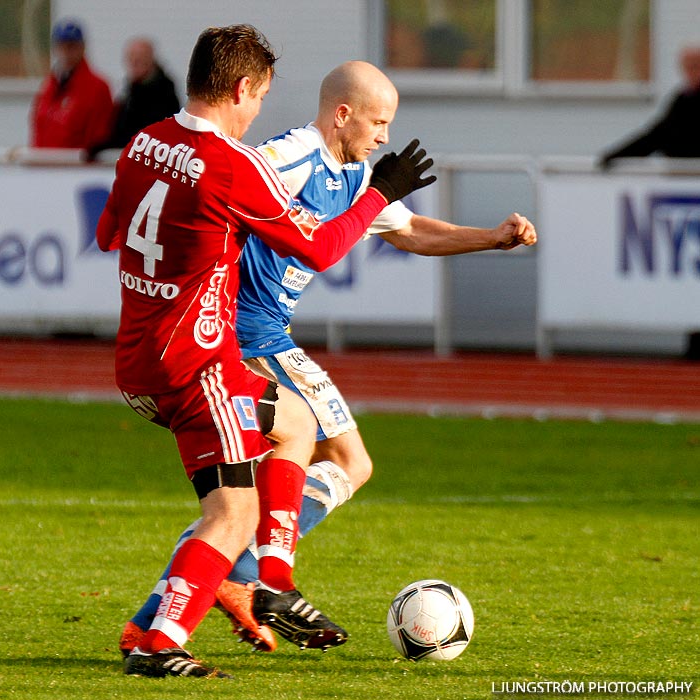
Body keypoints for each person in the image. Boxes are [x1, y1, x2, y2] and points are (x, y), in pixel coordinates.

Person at [118, 60, 537, 657]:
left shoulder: (356, 173)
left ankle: (192, 599)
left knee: (258, 491)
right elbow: (241, 193)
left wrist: (492, 238)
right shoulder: (287, 157)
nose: (385, 137)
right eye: (379, 121)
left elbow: (408, 229)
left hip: (268, 334)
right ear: (343, 114)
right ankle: (251, 579)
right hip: (237, 334)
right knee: (335, 459)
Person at [95, 25, 435, 679]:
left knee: (295, 427)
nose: (257, 114)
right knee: (233, 513)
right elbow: (320, 249)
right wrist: (378, 195)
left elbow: (111, 230)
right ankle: (173, 636)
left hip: (135, 358)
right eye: (259, 98)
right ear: (242, 88)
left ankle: (187, 617)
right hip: (196, 364)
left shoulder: (142, 143)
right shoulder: (235, 164)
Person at [599, 45, 700, 167]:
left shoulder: (686, 100)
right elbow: (659, 135)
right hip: (683, 174)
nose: (691, 72)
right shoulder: (683, 99)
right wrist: (614, 157)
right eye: (686, 67)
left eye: (695, 66)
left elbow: (660, 136)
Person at [29, 19, 114, 151]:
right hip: (44, 167)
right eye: (61, 46)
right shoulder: (48, 86)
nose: (66, 52)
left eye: (71, 46)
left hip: (75, 168)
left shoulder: (97, 88)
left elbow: (98, 136)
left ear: (82, 47)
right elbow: (38, 129)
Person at [89, 37, 180, 158]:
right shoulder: (129, 93)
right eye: (132, 58)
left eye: (141, 58)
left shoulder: (164, 95)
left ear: (151, 59)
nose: (135, 62)